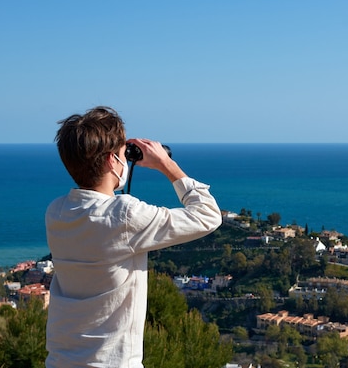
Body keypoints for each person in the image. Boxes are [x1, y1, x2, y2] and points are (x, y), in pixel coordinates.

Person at [44, 106, 222, 368]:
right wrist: (166, 164)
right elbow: (208, 215)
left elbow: (97, 210)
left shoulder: (57, 212)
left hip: (61, 360)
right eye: (121, 153)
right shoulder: (124, 216)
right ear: (111, 161)